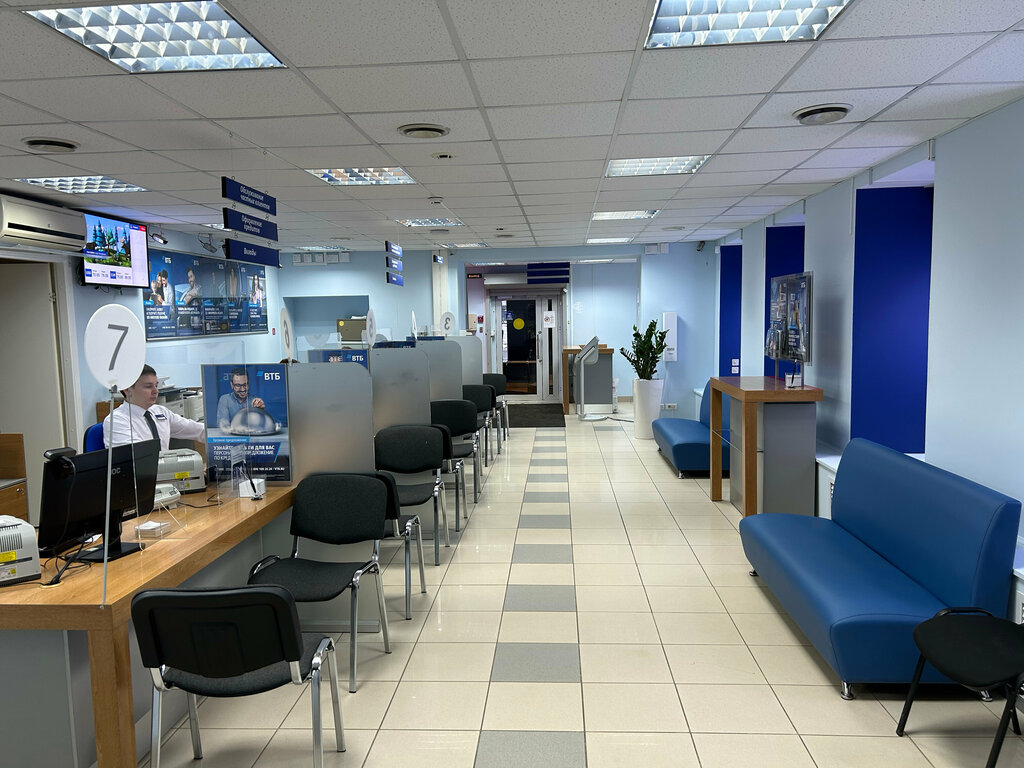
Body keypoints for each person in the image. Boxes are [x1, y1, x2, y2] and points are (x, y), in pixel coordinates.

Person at [103, 364, 204, 452]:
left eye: (156, 385)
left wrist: (213, 436)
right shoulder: (116, 420)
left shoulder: (160, 411)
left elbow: (199, 431)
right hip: (147, 468)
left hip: (165, 467)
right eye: (148, 386)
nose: (156, 391)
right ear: (127, 390)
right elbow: (139, 458)